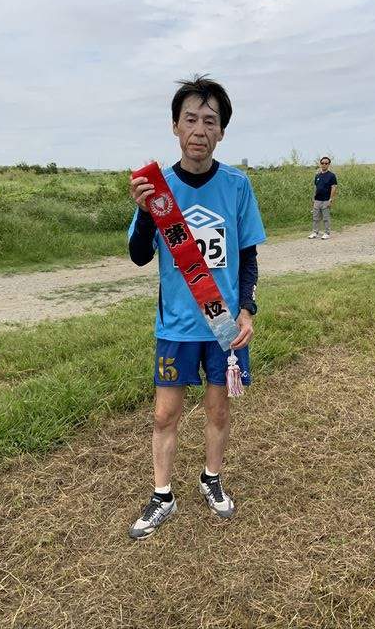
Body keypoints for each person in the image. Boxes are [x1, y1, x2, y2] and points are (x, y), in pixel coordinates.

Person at [127, 75, 266, 540]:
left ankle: (212, 478)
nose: (199, 130)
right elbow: (139, 255)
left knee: (218, 411)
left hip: (224, 326)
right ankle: (162, 494)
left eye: (210, 121)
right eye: (190, 119)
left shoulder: (237, 185)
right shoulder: (158, 188)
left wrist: (247, 309)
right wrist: (145, 212)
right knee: (164, 415)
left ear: (222, 131)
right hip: (176, 326)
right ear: (175, 126)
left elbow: (247, 256)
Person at [308, 156, 338, 240]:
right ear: (320, 164)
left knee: (326, 218)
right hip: (317, 200)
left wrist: (330, 199)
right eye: (322, 163)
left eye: (326, 163)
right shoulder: (317, 175)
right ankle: (315, 232)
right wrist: (313, 198)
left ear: (328, 164)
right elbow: (316, 187)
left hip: (326, 200)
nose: (324, 165)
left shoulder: (331, 175)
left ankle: (327, 233)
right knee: (315, 217)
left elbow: (334, 187)